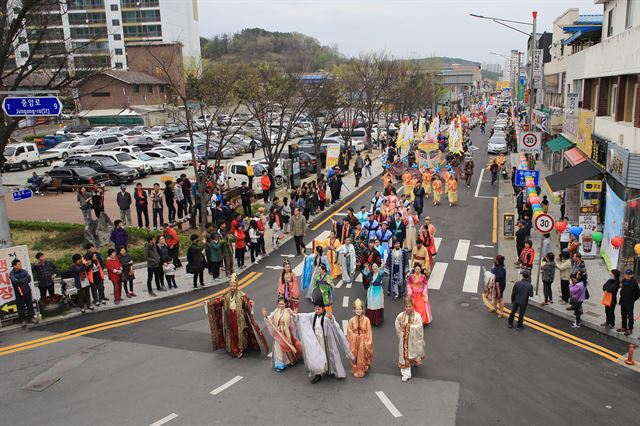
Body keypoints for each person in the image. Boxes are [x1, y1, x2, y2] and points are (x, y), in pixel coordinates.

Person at [296, 289, 354, 384]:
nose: (317, 311)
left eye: (318, 309)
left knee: (331, 356)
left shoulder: (327, 317)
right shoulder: (313, 315)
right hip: (317, 341)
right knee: (317, 357)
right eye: (315, 309)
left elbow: (335, 326)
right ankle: (318, 374)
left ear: (323, 309)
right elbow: (304, 316)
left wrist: (331, 319)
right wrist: (295, 315)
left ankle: (333, 371)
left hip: (327, 340)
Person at [206, 274, 269, 358]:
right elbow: (218, 301)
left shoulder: (241, 295)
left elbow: (247, 302)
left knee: (239, 332)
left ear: (237, 286)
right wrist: (207, 303)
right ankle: (233, 348)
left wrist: (249, 303)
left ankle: (240, 349)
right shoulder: (226, 295)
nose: (232, 287)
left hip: (239, 317)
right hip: (229, 316)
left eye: (234, 286)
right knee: (230, 332)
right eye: (231, 286)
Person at [261, 297, 303, 371]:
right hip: (279, 333)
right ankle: (280, 363)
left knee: (288, 345)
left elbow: (295, 318)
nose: (281, 306)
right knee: (279, 347)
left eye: (282, 304)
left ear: (285, 304)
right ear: (278, 304)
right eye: (280, 304)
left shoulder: (288, 311)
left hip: (287, 332)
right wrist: (265, 315)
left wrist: (293, 315)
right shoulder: (276, 311)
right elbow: (269, 319)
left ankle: (289, 360)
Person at [395, 296, 425, 382]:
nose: (408, 308)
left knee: (414, 353)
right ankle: (406, 373)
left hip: (413, 340)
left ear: (412, 306)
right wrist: (401, 332)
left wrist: (408, 326)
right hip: (404, 340)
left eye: (410, 306)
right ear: (404, 307)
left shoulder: (417, 316)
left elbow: (419, 327)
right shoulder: (401, 316)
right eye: (406, 307)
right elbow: (397, 324)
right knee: (404, 356)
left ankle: (414, 362)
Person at [347, 298, 373, 378]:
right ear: (354, 310)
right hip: (354, 340)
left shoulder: (366, 320)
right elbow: (349, 331)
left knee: (361, 355)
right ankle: (355, 368)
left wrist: (367, 342)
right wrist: (354, 336)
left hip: (363, 340)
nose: (358, 311)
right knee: (355, 355)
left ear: (362, 310)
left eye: (360, 309)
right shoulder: (351, 320)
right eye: (356, 309)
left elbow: (369, 332)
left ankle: (361, 370)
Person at [9, 259, 37, 326]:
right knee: (21, 307)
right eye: (19, 264)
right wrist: (24, 280)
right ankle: (22, 321)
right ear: (14, 266)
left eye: (20, 264)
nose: (20, 265)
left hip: (27, 290)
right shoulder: (12, 273)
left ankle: (31, 318)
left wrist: (20, 281)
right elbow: (15, 282)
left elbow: (29, 279)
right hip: (19, 292)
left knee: (30, 305)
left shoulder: (23, 271)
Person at [618, 269, 640, 336]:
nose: (627, 276)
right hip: (623, 301)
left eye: (629, 274)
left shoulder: (634, 283)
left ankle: (630, 329)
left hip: (630, 302)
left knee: (630, 316)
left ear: (632, 275)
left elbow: (638, 294)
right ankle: (624, 327)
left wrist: (632, 300)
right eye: (626, 274)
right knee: (623, 314)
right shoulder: (623, 280)